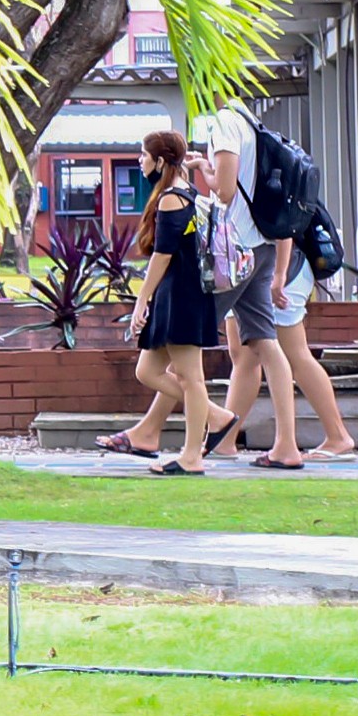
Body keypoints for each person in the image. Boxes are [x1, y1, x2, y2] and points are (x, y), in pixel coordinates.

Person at [203, 103, 358, 467]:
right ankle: (226, 440)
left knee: (291, 353)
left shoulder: (234, 132)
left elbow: (278, 222)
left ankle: (336, 436)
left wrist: (277, 278)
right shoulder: (256, 138)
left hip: (276, 266)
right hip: (262, 261)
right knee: (244, 354)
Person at [126, 130, 224, 474]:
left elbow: (162, 256)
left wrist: (141, 300)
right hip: (180, 293)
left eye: (143, 154)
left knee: (190, 378)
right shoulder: (186, 191)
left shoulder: (172, 198)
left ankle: (192, 456)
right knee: (148, 370)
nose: (140, 161)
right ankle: (216, 417)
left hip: (181, 295)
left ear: (161, 161)